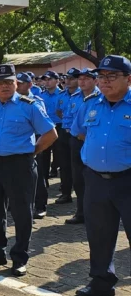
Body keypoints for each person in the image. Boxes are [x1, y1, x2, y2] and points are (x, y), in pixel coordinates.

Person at [0, 64, 57, 277]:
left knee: (21, 213)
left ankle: (20, 257)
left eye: (9, 82)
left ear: (16, 83)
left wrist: (30, 152)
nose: (5, 86)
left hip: (20, 166)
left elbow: (50, 134)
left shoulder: (29, 105)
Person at [69, 55, 131, 296]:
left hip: (128, 181)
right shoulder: (91, 104)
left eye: (112, 76)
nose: (104, 82)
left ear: (128, 79)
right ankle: (101, 282)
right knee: (99, 234)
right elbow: (79, 132)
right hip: (95, 180)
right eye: (101, 76)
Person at [63, 68, 99, 225]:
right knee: (78, 178)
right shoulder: (75, 97)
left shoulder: (101, 98)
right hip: (77, 140)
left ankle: (97, 213)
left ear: (95, 80)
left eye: (87, 78)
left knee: (95, 179)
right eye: (80, 78)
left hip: (95, 144)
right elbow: (69, 118)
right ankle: (81, 212)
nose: (82, 81)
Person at [33, 70, 66, 217]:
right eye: (45, 79)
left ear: (57, 81)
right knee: (42, 161)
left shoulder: (62, 95)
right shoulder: (41, 96)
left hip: (59, 127)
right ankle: (43, 186)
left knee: (62, 160)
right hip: (43, 130)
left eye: (50, 79)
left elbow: (62, 112)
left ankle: (65, 189)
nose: (46, 82)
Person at [54, 68, 81, 205]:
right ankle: (66, 193)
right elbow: (59, 112)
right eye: (67, 78)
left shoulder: (84, 96)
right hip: (64, 132)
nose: (68, 81)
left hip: (77, 136)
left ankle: (81, 197)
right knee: (64, 165)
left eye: (72, 78)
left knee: (77, 167)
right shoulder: (62, 95)